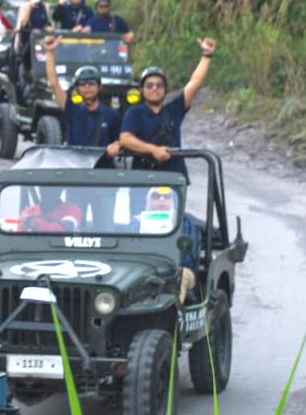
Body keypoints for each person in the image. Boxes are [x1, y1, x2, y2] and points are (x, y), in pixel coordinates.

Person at [119, 38, 218, 181]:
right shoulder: (134, 113)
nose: (154, 89)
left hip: (173, 178)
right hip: (142, 178)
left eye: (159, 85)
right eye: (149, 85)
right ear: (142, 90)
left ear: (166, 89)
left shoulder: (174, 110)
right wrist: (154, 150)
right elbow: (125, 139)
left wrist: (206, 55)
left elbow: (194, 83)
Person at [42, 36, 122, 160]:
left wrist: (117, 145)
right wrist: (49, 52)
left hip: (102, 168)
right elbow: (53, 84)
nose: (87, 87)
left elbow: (122, 140)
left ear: (99, 86)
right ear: (77, 89)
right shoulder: (72, 110)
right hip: (76, 167)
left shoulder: (112, 115)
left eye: (91, 83)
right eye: (82, 84)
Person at [141, 186, 198, 303]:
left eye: (167, 197)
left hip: (179, 268)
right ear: (149, 200)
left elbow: (189, 256)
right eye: (156, 197)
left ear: (173, 200)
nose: (162, 200)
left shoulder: (184, 222)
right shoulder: (137, 221)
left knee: (181, 277)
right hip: (144, 268)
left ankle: (175, 316)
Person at [14, 0, 51, 94]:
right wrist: (30, 7)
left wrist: (47, 29)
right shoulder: (25, 6)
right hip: (28, 37)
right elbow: (23, 23)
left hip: (42, 37)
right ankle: (27, 80)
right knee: (26, 56)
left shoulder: (44, 6)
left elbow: (48, 22)